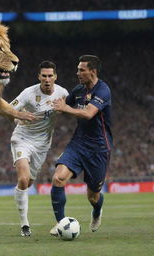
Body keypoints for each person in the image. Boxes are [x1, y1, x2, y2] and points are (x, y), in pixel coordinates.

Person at [49, 55, 113, 235]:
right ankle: (60, 222)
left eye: (81, 70)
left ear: (93, 71)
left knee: (93, 196)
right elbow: (60, 106)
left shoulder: (103, 90)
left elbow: (88, 113)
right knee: (58, 178)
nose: (77, 73)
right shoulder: (78, 90)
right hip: (78, 144)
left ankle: (97, 210)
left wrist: (65, 108)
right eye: (78, 69)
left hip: (99, 148)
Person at [10, 61, 69, 236]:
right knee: (23, 179)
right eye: (44, 75)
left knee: (28, 183)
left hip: (43, 145)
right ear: (39, 77)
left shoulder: (63, 93)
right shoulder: (29, 93)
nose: (47, 79)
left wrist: (64, 109)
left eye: (50, 76)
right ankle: (24, 225)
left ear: (55, 77)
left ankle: (21, 196)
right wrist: (19, 116)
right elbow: (8, 109)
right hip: (22, 138)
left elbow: (72, 108)